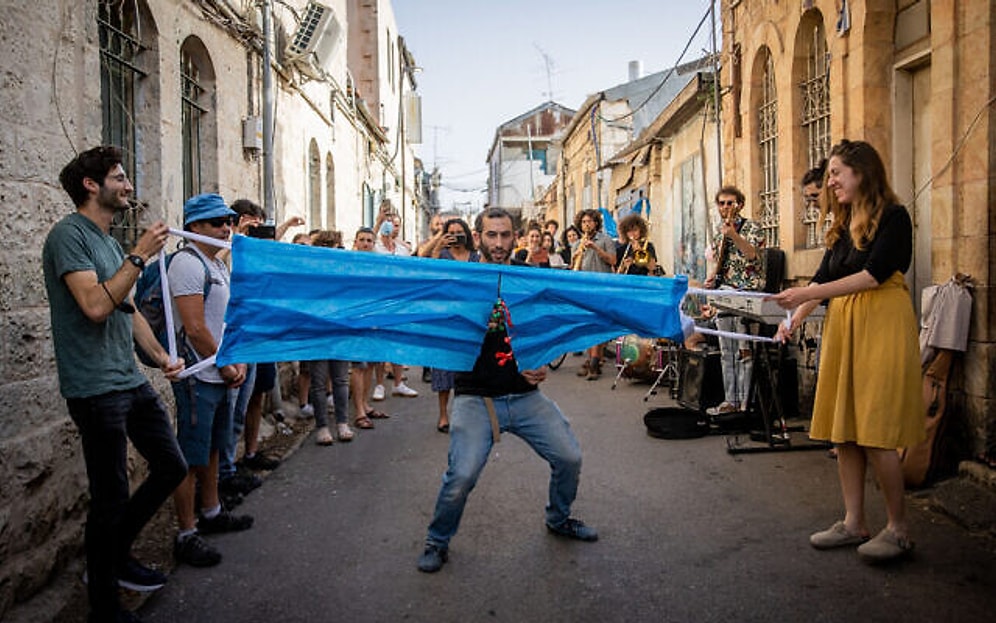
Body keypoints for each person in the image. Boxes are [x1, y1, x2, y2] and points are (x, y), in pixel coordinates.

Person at [43, 145, 188, 623]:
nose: (129, 185)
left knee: (170, 465)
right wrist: (141, 256)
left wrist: (162, 355)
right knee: (111, 495)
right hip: (94, 387)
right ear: (92, 185)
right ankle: (103, 603)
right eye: (120, 177)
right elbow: (95, 306)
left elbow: (124, 313)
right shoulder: (69, 236)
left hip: (126, 379)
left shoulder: (108, 242)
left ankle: (112, 556)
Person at [417, 207, 597, 574]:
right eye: (491, 235)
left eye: (505, 235)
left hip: (525, 397)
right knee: (461, 476)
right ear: (478, 237)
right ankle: (437, 541)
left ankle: (558, 518)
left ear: (515, 236)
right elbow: (415, 287)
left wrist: (542, 358)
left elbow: (553, 324)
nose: (498, 243)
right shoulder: (461, 281)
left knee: (569, 458)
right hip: (475, 398)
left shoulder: (530, 279)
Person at [771, 139, 924, 563]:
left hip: (881, 322)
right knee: (845, 430)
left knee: (876, 429)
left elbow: (873, 276)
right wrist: (793, 319)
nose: (831, 181)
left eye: (837, 173)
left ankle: (899, 529)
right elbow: (822, 280)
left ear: (863, 173)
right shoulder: (840, 227)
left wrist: (808, 291)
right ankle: (854, 521)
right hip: (846, 325)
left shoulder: (894, 217)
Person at [169, 194, 254, 568]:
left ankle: (212, 510)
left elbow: (227, 317)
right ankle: (186, 533)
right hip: (198, 375)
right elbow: (195, 326)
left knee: (215, 447)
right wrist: (223, 364)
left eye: (228, 221)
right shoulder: (187, 264)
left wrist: (236, 359)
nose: (226, 228)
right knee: (191, 455)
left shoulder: (217, 264)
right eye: (217, 222)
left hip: (221, 370)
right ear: (194, 227)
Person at [703, 186, 765, 415]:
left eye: (730, 203)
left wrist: (734, 236)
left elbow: (752, 256)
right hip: (725, 293)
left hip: (747, 293)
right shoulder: (720, 233)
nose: (726, 207)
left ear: (740, 204)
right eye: (722, 203)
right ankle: (730, 400)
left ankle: (745, 404)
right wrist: (712, 278)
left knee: (743, 351)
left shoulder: (752, 228)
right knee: (726, 351)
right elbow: (723, 266)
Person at [428, 218, 480, 433]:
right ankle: (443, 415)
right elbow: (430, 271)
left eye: (460, 232)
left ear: (467, 234)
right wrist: (439, 243)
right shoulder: (441, 255)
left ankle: (466, 414)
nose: (457, 236)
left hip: (470, 317)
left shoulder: (476, 257)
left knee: (469, 366)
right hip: (445, 316)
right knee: (443, 367)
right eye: (452, 232)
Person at [307, 229, 355, 444]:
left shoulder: (344, 272)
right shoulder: (310, 274)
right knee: (318, 381)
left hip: (341, 331)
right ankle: (322, 426)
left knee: (341, 379)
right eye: (336, 246)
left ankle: (343, 423)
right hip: (316, 332)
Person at [571, 209, 617, 380]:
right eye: (583, 222)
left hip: (601, 288)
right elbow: (573, 269)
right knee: (588, 325)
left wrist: (596, 248)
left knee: (597, 325)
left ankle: (595, 362)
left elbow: (613, 261)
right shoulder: (576, 244)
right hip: (583, 289)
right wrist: (576, 256)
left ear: (596, 223)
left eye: (590, 221)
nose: (586, 225)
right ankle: (592, 360)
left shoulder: (605, 240)